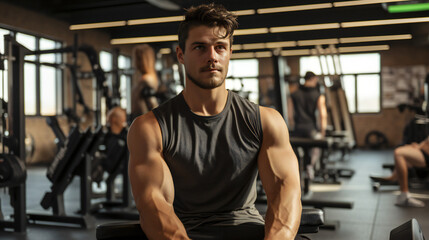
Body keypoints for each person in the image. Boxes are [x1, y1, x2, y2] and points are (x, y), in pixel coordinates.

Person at [127, 3, 302, 240]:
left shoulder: (265, 121)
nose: (212, 56)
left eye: (220, 47)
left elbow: (286, 191)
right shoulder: (150, 128)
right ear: (181, 54)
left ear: (230, 52)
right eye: (200, 47)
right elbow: (153, 204)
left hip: (248, 231)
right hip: (185, 233)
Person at [289, 71, 327, 179]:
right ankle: (310, 166)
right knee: (317, 146)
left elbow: (290, 115)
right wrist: (323, 131)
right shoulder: (318, 95)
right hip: (311, 130)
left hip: (298, 129)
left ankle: (299, 170)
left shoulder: (294, 94)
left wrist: (292, 126)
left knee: (298, 150)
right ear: (313, 79)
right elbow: (322, 115)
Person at [370, 137, 429, 207]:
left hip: (426, 154)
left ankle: (404, 195)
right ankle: (394, 177)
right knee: (402, 150)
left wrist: (419, 148)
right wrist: (418, 146)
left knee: (399, 153)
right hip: (423, 150)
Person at [130, 44, 160, 121]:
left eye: (136, 58)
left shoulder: (146, 82)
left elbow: (154, 108)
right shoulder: (148, 80)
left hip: (145, 125)